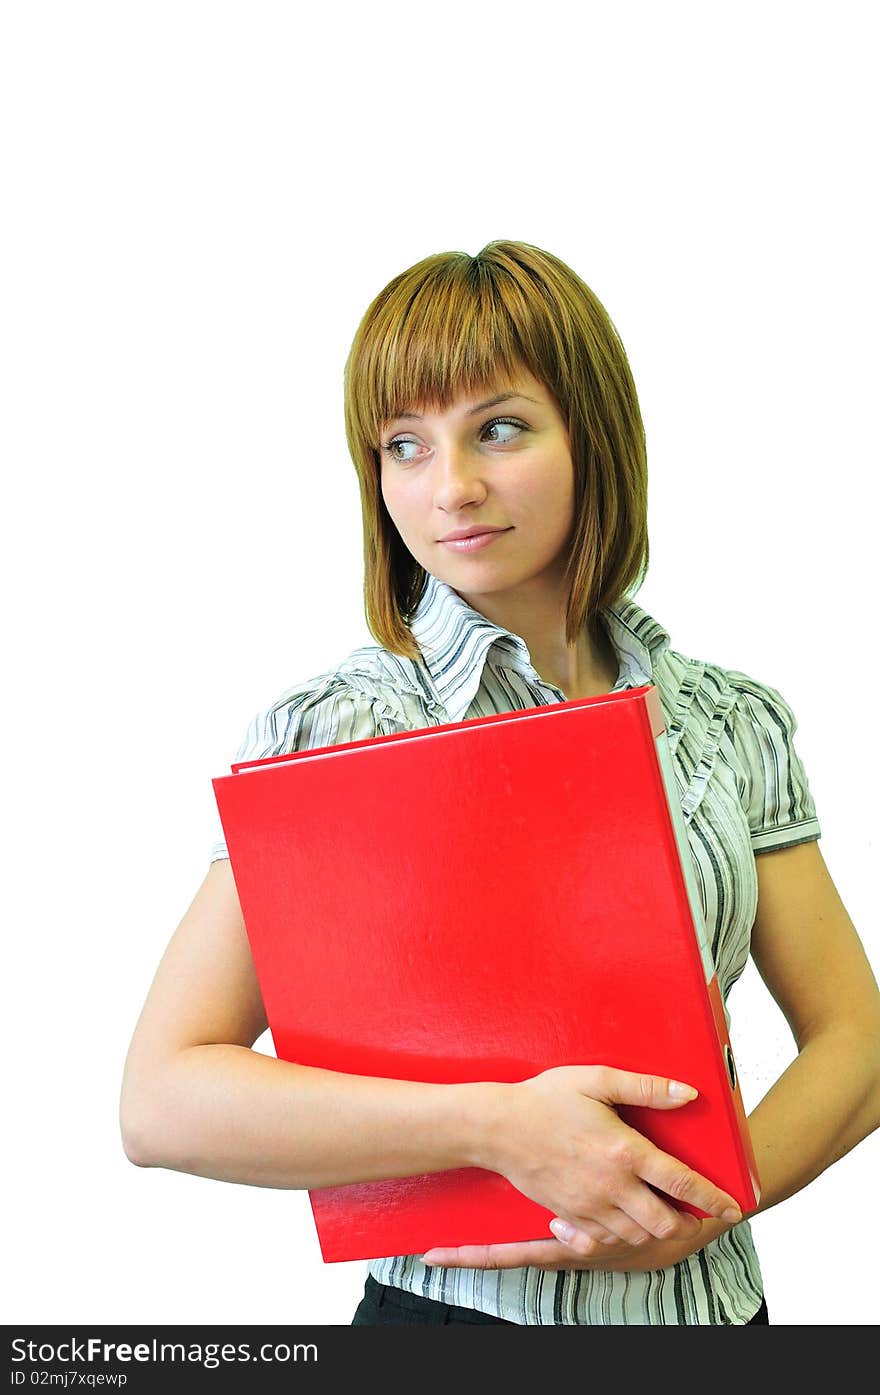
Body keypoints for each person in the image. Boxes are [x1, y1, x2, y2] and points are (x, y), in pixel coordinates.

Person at [119, 240, 880, 1326]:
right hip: (457, 1333)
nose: (452, 488)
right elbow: (163, 1100)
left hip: (718, 1323)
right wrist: (494, 1127)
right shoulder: (340, 729)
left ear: (592, 436)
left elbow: (856, 1037)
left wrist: (708, 1204)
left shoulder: (726, 720)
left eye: (501, 428)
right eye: (403, 446)